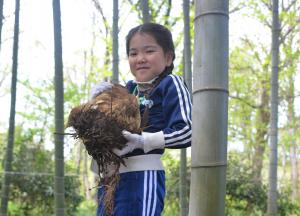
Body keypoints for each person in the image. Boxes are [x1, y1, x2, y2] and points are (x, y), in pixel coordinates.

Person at [91, 22, 192, 216]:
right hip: (110, 179)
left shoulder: (171, 83)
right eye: (133, 53)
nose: (140, 59)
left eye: (149, 51)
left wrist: (144, 140)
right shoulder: (127, 90)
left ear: (168, 57)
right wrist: (97, 103)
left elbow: (187, 131)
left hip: (142, 177)